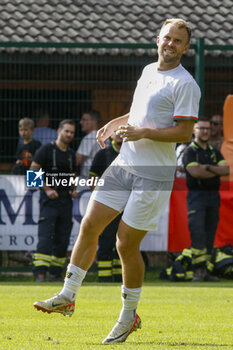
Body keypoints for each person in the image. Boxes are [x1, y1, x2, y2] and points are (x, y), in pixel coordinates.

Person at [33, 18, 201, 343]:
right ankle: (68, 296)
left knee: (126, 243)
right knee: (89, 225)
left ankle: (129, 316)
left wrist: (143, 132)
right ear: (158, 38)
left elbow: (183, 131)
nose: (170, 44)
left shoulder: (186, 84)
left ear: (185, 47)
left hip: (153, 174)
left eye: (178, 41)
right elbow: (140, 112)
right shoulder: (149, 71)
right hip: (124, 164)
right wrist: (116, 122)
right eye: (167, 38)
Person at [182, 118, 229, 282]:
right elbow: (195, 173)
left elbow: (226, 170)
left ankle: (206, 271)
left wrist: (207, 167)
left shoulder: (214, 151)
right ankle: (198, 271)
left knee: (210, 235)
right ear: (194, 130)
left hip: (213, 197)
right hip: (197, 196)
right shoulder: (190, 151)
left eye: (208, 129)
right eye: (201, 128)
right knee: (198, 234)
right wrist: (214, 170)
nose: (205, 131)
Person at [31, 119, 77, 282]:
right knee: (46, 236)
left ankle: (56, 273)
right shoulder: (46, 150)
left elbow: (72, 175)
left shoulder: (71, 154)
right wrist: (47, 189)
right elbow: (32, 172)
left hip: (66, 202)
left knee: (63, 238)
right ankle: (40, 273)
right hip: (49, 201)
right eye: (67, 131)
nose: (69, 135)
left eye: (72, 132)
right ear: (59, 131)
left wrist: (73, 189)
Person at [89, 132, 123, 282]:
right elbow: (92, 178)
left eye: (123, 131)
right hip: (108, 204)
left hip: (126, 205)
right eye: (117, 132)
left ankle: (119, 276)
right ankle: (104, 278)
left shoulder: (132, 154)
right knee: (106, 240)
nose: (121, 135)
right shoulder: (103, 154)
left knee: (122, 241)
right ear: (110, 137)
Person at [76, 110, 102, 178]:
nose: (81, 122)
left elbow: (77, 160)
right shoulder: (105, 137)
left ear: (94, 121)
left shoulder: (89, 137)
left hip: (88, 179)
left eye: (84, 120)